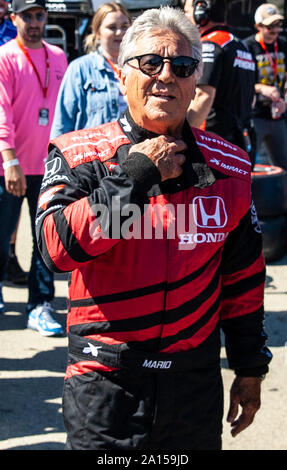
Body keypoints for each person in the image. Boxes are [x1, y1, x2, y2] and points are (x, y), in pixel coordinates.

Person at [36, 6, 272, 450]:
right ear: (122, 75)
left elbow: (244, 280)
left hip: (192, 385)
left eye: (182, 66)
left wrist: (249, 368)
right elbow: (55, 250)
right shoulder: (78, 155)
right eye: (150, 63)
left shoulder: (230, 166)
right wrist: (135, 176)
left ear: (195, 81)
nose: (166, 75)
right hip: (106, 381)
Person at [0, 0, 68, 336]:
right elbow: (1, 112)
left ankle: (40, 305)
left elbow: (63, 109)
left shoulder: (57, 57)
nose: (35, 22)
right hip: (9, 167)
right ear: (14, 19)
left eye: (40, 16)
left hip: (49, 167)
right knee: (1, 237)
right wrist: (9, 159)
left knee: (44, 240)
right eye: (27, 16)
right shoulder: (5, 56)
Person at [185, 0, 257, 167]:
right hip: (240, 140)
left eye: (187, 12)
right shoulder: (242, 46)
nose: (185, 17)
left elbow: (203, 96)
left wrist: (182, 137)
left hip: (212, 143)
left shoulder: (210, 44)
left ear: (200, 12)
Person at [50, 1, 131, 139]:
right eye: (112, 27)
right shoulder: (80, 69)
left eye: (124, 27)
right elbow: (63, 123)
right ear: (97, 32)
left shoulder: (140, 67)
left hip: (133, 154)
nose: (120, 32)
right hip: (94, 157)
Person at [244, 3, 287, 170]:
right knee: (249, 164)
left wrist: (284, 99)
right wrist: (262, 88)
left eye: (278, 25)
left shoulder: (283, 44)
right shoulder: (247, 46)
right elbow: (243, 82)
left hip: (278, 115)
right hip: (256, 116)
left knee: (282, 165)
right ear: (258, 26)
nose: (275, 31)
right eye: (270, 27)